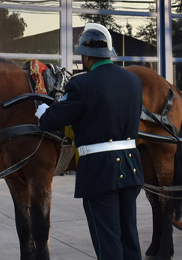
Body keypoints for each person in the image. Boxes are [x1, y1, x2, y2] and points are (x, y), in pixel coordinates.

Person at [37, 23, 144, 260]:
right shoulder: (134, 81)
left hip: (100, 172)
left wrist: (43, 111)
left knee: (108, 243)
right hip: (131, 167)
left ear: (86, 56)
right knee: (129, 238)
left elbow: (51, 120)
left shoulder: (81, 84)